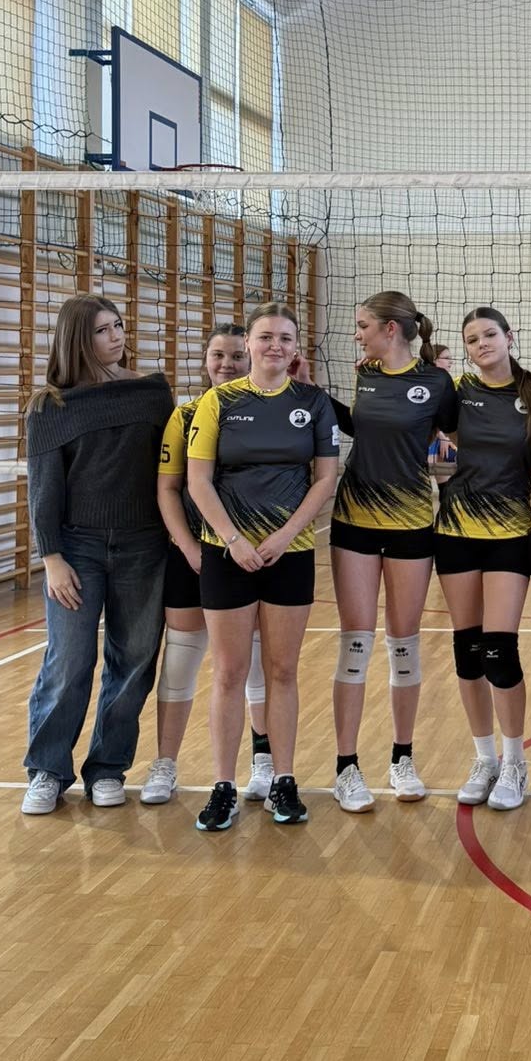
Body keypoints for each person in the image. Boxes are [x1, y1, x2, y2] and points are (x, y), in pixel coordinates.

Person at [184, 304, 339, 831]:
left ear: (296, 348)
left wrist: (284, 536)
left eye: (286, 338)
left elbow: (325, 478)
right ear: (248, 343)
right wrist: (234, 540)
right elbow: (198, 481)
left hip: (288, 554)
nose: (276, 345)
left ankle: (283, 781)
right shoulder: (218, 401)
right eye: (266, 336)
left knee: (283, 671)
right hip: (227, 553)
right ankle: (223, 786)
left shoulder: (313, 403)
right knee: (229, 673)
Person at [21, 296, 173, 814]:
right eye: (103, 330)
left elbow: (171, 471)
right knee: (68, 661)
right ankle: (47, 769)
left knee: (134, 661)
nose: (117, 336)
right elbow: (43, 490)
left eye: (119, 325)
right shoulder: (50, 406)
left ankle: (108, 768)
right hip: (77, 550)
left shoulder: (152, 392)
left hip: (145, 546)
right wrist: (52, 558)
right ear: (77, 340)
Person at [329, 291, 458, 810]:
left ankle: (402, 758)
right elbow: (358, 427)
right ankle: (346, 767)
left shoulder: (438, 383)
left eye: (363, 325)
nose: (356, 334)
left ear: (389, 329)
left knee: (404, 643)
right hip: (354, 522)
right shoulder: (366, 375)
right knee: (355, 643)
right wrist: (314, 391)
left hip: (410, 524)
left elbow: (463, 437)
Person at [140, 324, 274, 806]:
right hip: (195, 553)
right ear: (205, 360)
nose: (227, 364)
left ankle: (263, 758)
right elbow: (168, 489)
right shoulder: (186, 415)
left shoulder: (272, 412)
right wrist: (191, 549)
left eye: (237, 356)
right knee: (181, 658)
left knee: (251, 662)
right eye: (218, 355)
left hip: (250, 554)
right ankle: (165, 764)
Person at [437, 308, 531, 813]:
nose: (482, 343)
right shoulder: (456, 391)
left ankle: (514, 762)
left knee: (499, 650)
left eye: (490, 334)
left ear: (510, 337)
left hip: (510, 533)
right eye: (472, 339)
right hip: (456, 530)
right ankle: (484, 759)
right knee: (467, 650)